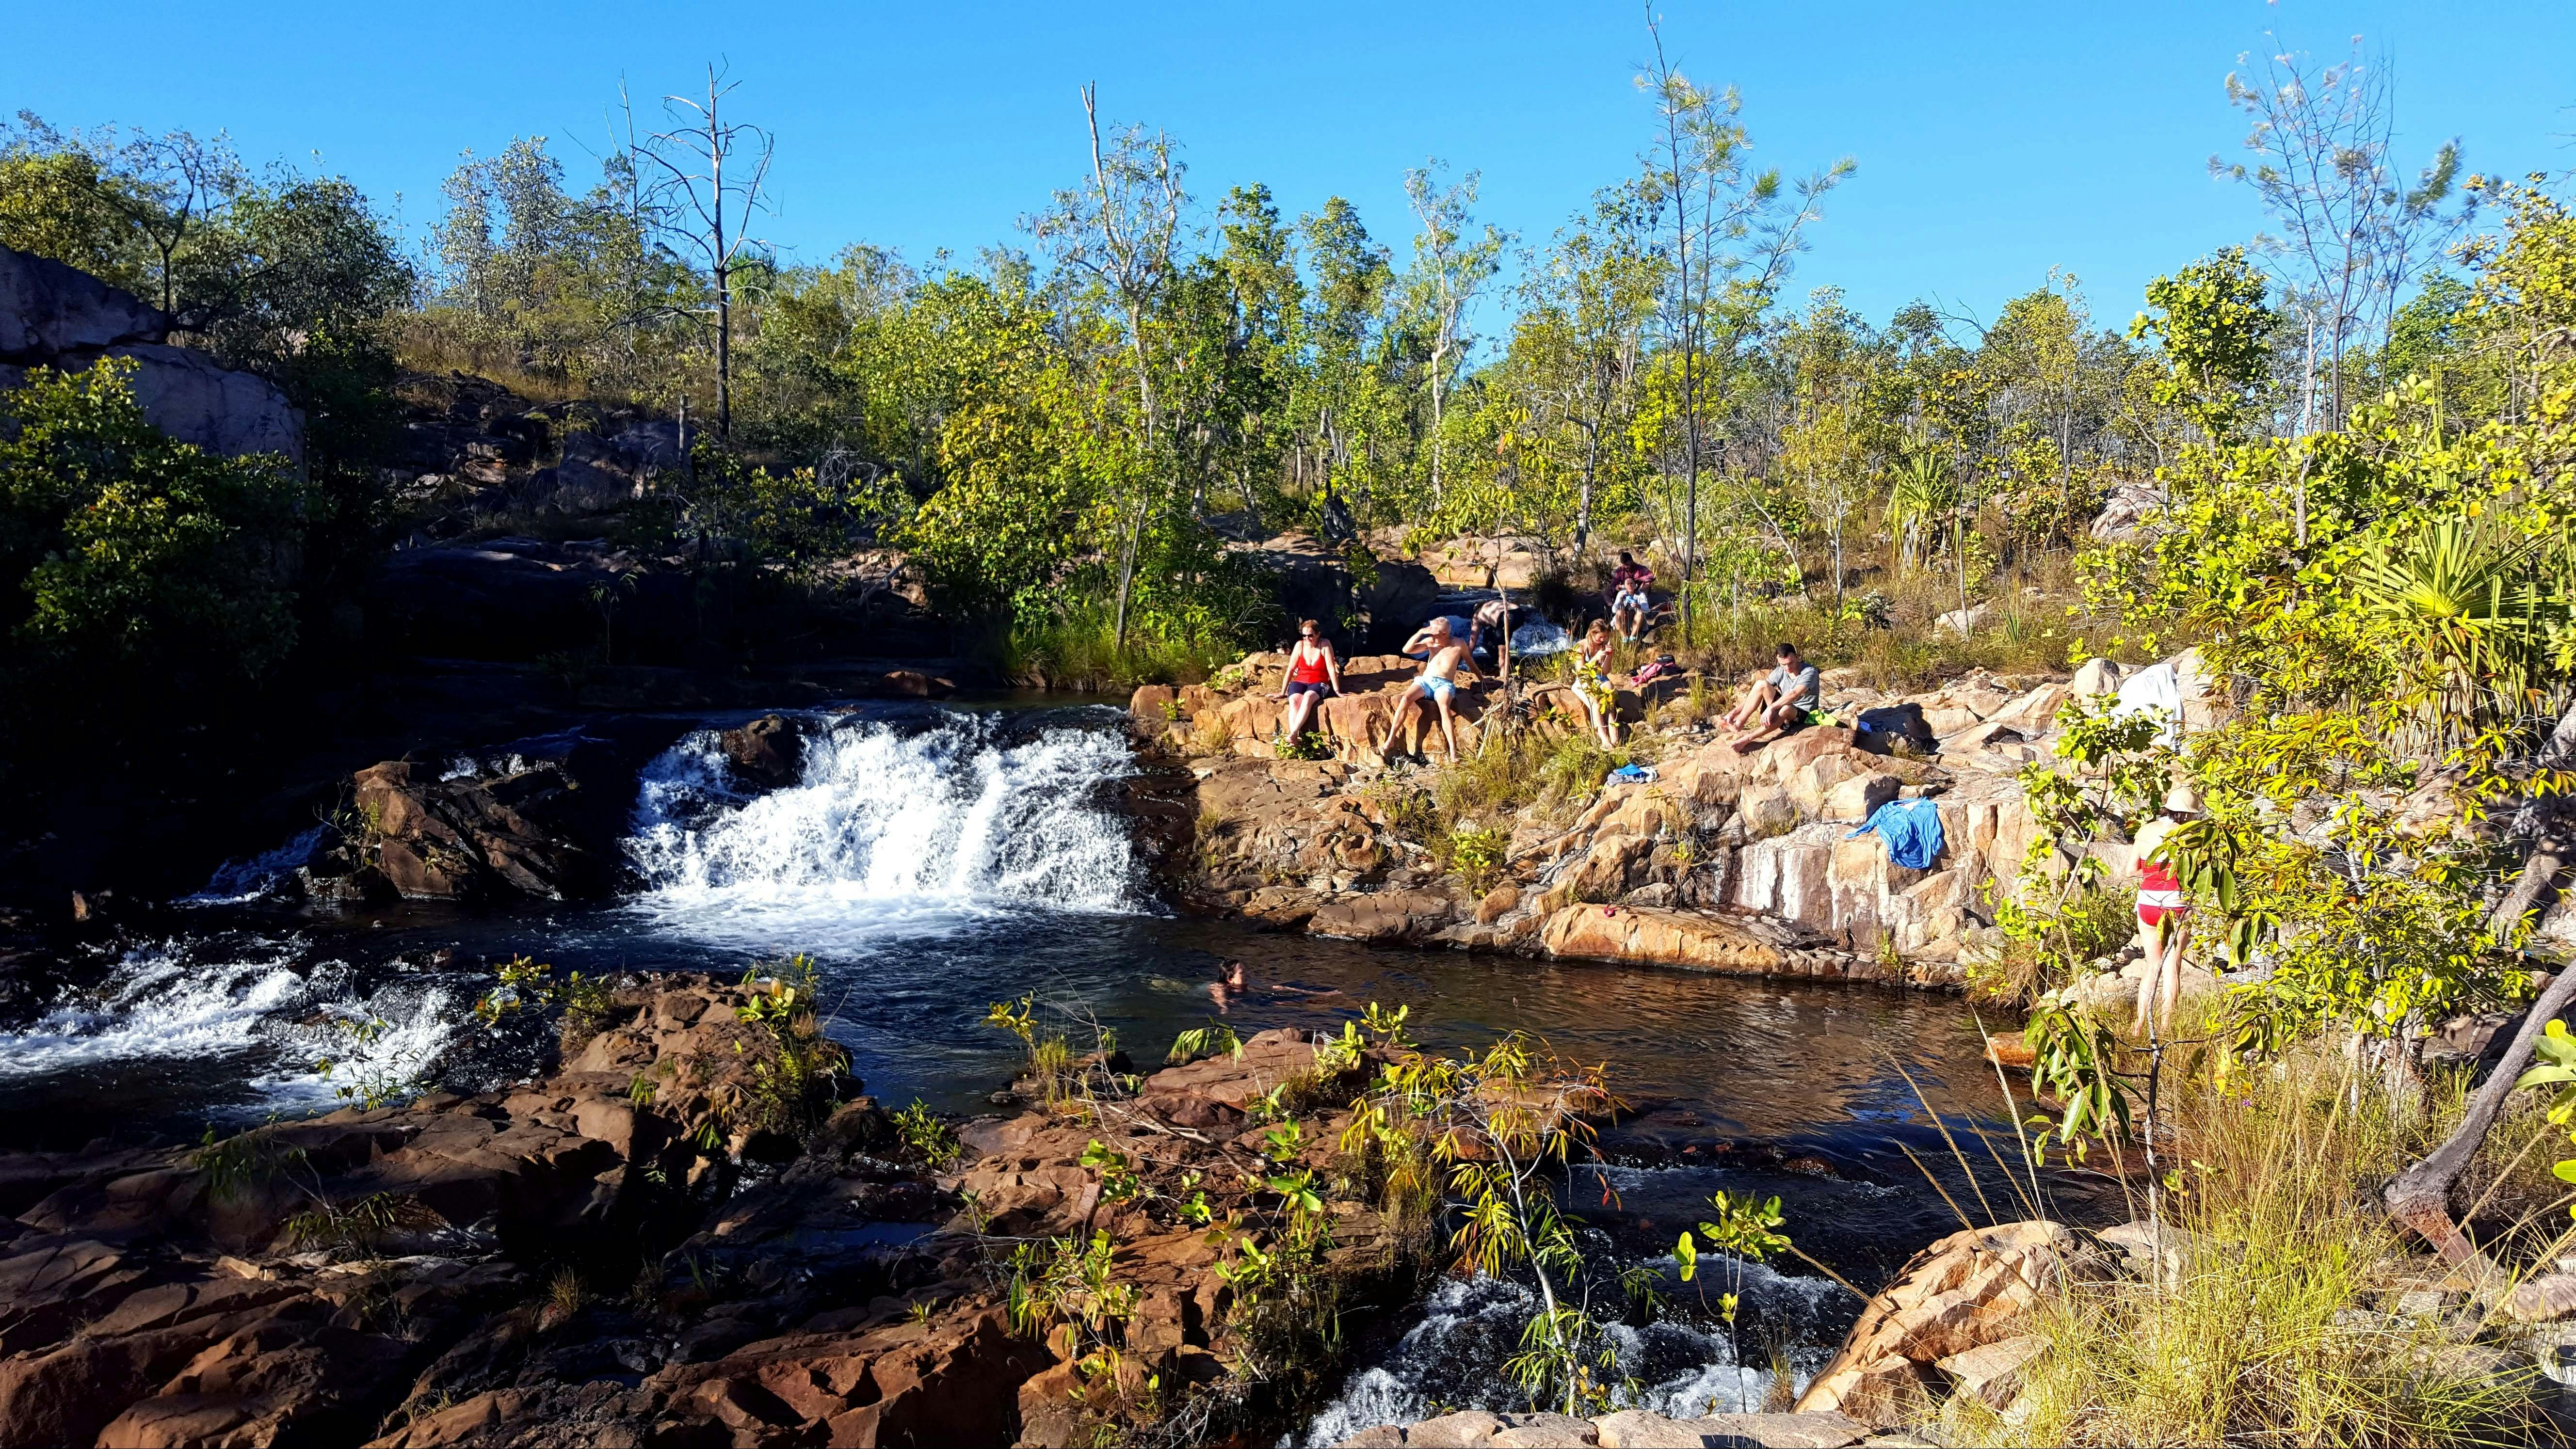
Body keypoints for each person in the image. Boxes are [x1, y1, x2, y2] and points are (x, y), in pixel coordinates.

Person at [2131, 783, 2200, 1039]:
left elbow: (2131, 870)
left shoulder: (2145, 830)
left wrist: (2154, 875)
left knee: (2152, 966)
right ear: (2188, 814)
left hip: (2147, 902)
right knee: (2172, 968)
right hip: (2176, 903)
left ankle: (2138, 1026)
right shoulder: (2190, 835)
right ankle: (2163, 1030)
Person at [1380, 616, 1474, 763]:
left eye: (1434, 633)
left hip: (1444, 684)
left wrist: (1482, 681)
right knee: (1405, 699)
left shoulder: (1458, 644)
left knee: (1444, 707)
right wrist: (1421, 632)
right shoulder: (1431, 642)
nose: (1431, 635)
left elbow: (1470, 662)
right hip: (1426, 681)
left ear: (1444, 634)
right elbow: (1407, 650)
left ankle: (1453, 751)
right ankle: (1391, 738)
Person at [1721, 642, 1821, 754]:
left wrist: (1772, 708)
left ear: (1797, 657)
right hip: (1781, 709)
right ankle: (1738, 724)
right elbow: (1755, 694)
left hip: (1803, 715)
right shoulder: (1781, 671)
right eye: (1783, 664)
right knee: (1761, 685)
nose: (1787, 668)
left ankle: (1748, 738)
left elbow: (1794, 694)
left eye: (1791, 663)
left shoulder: (1809, 672)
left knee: (1786, 709)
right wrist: (1733, 713)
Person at [1275, 619, 1342, 746]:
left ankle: (1293, 734)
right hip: (1301, 680)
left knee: (1308, 697)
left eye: (1311, 635)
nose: (1307, 639)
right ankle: (1294, 737)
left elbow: (1331, 669)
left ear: (1318, 634)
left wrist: (1337, 691)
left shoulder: (1325, 645)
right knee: (1294, 700)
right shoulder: (1300, 645)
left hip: (1319, 681)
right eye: (1304, 636)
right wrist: (1282, 692)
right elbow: (1290, 669)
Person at [1572, 619, 1621, 748]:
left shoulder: (1603, 646)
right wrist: (1595, 659)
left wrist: (1609, 655)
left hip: (1599, 678)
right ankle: (1604, 737)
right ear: (1592, 634)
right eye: (1601, 637)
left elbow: (1605, 671)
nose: (1603, 639)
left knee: (1609, 697)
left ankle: (1614, 737)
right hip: (1584, 679)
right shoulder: (1580, 646)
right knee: (1596, 700)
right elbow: (1580, 672)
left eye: (1605, 637)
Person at [1609, 551, 1655, 644]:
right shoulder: (1621, 572)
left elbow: (1651, 576)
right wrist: (1619, 588)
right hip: (1623, 597)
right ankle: (1624, 637)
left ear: (1632, 561)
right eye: (1624, 565)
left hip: (1639, 591)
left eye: (1628, 564)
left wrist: (1639, 580)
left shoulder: (1640, 569)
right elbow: (1613, 584)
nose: (1626, 567)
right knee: (1618, 610)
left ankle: (1633, 636)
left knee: (1647, 585)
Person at [1468, 595, 1514, 682]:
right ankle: (1504, 666)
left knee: (1502, 649)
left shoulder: (1477, 616)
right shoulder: (1491, 606)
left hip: (1505, 617)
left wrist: (1466, 657)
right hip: (1517, 614)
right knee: (1497, 642)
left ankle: (1503, 676)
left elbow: (1473, 640)